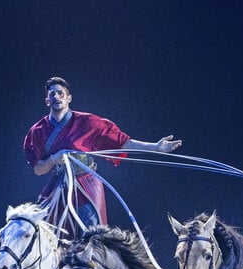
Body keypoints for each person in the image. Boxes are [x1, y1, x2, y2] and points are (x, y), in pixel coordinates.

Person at [23, 76, 182, 236]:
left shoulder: (88, 123)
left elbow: (123, 142)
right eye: (52, 94)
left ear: (69, 98)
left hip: (85, 182)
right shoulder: (37, 131)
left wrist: (155, 147)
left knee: (93, 234)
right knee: (39, 229)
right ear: (47, 101)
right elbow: (38, 169)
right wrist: (53, 158)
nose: (56, 97)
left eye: (60, 93)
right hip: (59, 184)